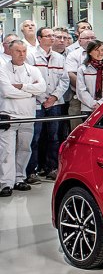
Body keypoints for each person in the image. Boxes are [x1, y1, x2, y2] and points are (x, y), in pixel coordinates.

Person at [0, 40, 46, 196]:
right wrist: (30, 93)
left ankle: (19, 178)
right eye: (18, 51)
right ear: (10, 52)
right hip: (9, 115)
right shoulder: (3, 70)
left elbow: (42, 88)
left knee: (25, 149)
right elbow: (7, 91)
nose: (21, 54)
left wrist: (22, 87)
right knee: (7, 151)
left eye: (24, 51)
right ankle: (5, 183)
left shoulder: (33, 70)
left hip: (28, 115)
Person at [26, 27, 69, 183]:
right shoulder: (31, 56)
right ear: (39, 38)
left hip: (55, 103)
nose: (52, 38)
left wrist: (53, 97)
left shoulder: (59, 58)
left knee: (54, 137)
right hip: (37, 103)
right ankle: (32, 171)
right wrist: (43, 98)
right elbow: (29, 80)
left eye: (53, 35)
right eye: (48, 35)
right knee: (35, 138)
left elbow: (64, 80)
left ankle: (51, 168)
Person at [76, 40, 103, 112]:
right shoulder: (83, 69)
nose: (100, 53)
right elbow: (81, 90)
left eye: (102, 50)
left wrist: (100, 103)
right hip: (88, 108)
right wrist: (93, 104)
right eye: (97, 50)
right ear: (90, 52)